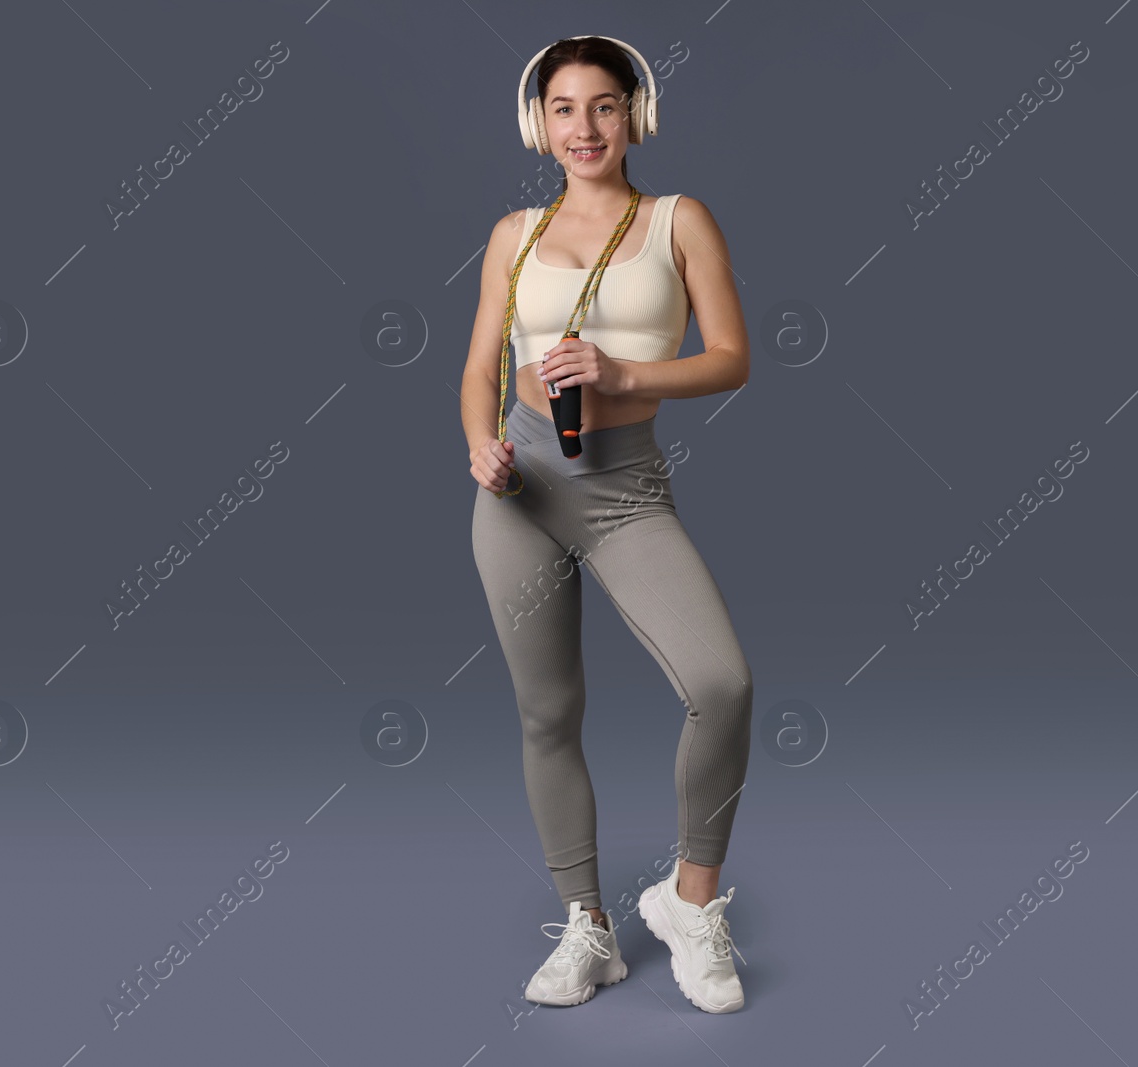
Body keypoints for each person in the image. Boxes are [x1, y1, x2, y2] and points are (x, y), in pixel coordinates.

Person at [460, 36, 753, 1014]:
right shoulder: (513, 233)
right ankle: (586, 926)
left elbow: (731, 358)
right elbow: (478, 373)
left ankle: (688, 900)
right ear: (536, 123)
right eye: (562, 109)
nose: (582, 128)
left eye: (602, 107)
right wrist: (479, 445)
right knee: (549, 712)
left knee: (721, 683)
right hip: (520, 498)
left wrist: (624, 375)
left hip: (625, 491)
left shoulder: (679, 221)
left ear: (636, 114)